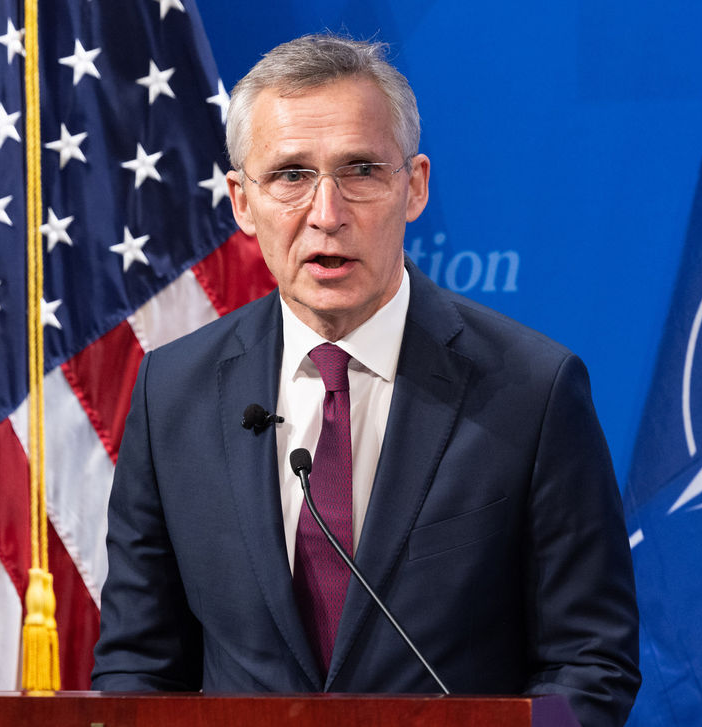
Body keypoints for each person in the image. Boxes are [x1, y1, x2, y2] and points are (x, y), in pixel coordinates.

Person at [91, 33, 641, 726]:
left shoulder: (534, 391)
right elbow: (138, 666)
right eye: (291, 175)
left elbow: (590, 661)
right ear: (241, 200)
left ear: (415, 187)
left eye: (360, 171)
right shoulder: (171, 392)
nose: (327, 214)